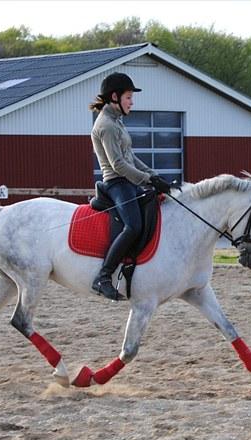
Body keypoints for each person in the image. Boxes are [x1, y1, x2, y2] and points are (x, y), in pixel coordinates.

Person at [89, 72, 171, 300]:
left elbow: (131, 157)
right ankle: (103, 276)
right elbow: (118, 165)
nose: (132, 102)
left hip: (128, 181)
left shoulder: (117, 122)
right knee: (133, 226)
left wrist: (154, 175)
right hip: (117, 184)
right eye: (128, 97)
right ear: (114, 97)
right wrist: (146, 180)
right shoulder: (106, 125)